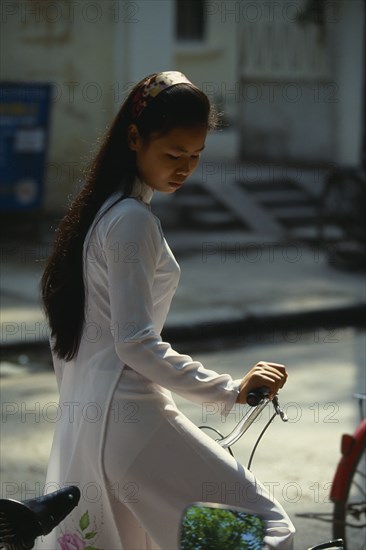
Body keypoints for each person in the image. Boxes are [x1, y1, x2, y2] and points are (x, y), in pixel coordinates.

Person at [37, 71, 295, 549]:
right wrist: (230, 390)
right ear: (135, 138)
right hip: (132, 416)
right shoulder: (132, 222)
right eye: (173, 154)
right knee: (264, 528)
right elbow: (135, 341)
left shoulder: (100, 213)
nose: (184, 168)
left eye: (195, 156)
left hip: (92, 423)